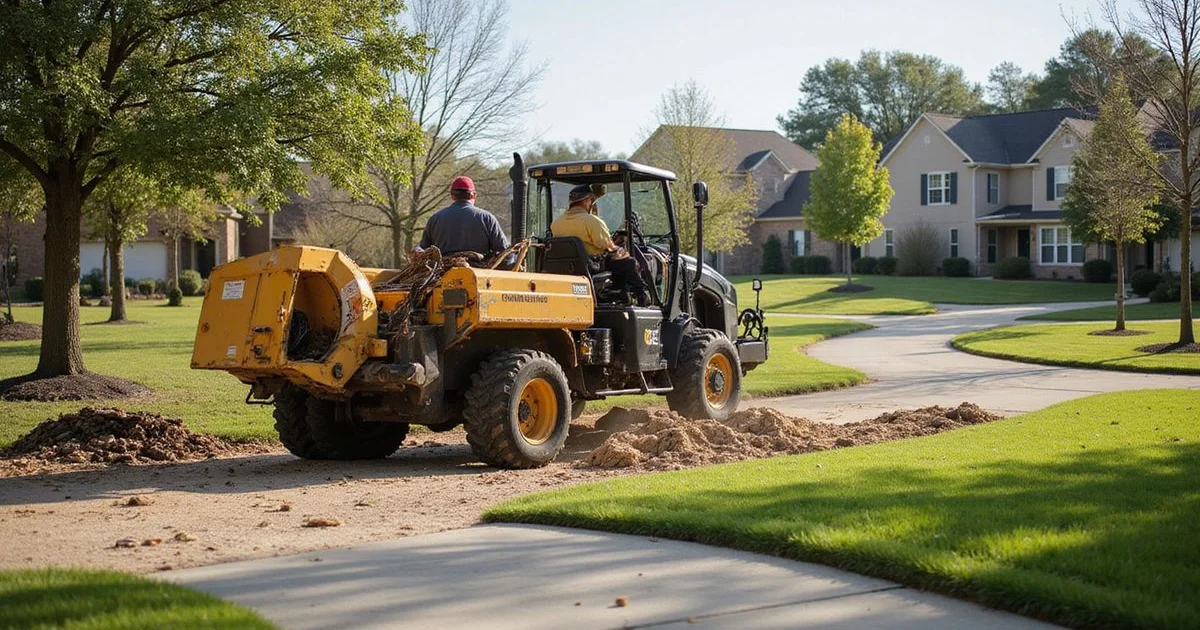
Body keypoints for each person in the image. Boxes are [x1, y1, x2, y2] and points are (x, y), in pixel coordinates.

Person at [550, 184, 652, 306]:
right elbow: (608, 247)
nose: (592, 203)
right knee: (629, 262)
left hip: (568, 267)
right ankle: (642, 298)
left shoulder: (556, 223)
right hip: (593, 266)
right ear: (587, 201)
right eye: (591, 200)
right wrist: (619, 247)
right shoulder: (592, 221)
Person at [419, 176, 509, 261]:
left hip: (443, 275)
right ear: (473, 195)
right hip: (479, 274)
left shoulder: (435, 219)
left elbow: (423, 252)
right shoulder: (487, 218)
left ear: (452, 195)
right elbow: (505, 253)